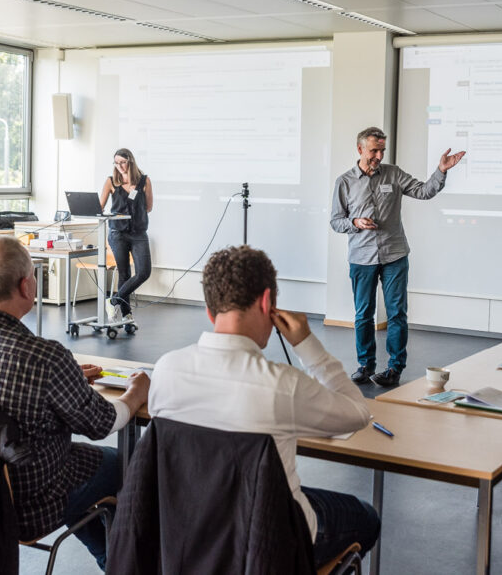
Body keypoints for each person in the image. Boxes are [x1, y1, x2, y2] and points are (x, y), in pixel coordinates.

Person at [0, 236, 150, 569]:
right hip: (27, 504)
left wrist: (66, 382)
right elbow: (102, 424)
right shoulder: (43, 358)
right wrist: (136, 393)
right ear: (27, 286)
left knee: (77, 469)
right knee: (121, 462)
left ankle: (111, 559)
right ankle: (124, 563)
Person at [149, 245, 379, 567]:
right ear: (268, 302)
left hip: (187, 535)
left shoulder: (165, 371)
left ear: (209, 310)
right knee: (366, 517)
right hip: (268, 541)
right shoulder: (281, 385)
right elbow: (358, 413)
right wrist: (307, 346)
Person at [330, 126, 465, 386]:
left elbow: (424, 191)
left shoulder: (393, 174)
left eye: (382, 150)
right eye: (373, 150)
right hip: (361, 257)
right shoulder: (344, 182)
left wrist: (442, 171)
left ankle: (394, 368)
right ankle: (366, 364)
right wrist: (355, 222)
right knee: (363, 314)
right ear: (360, 149)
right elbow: (336, 221)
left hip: (394, 255)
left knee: (396, 314)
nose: (379, 155)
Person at [99, 148, 153, 324]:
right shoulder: (111, 182)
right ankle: (127, 315)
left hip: (138, 233)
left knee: (144, 272)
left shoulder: (144, 181)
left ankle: (113, 300)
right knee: (124, 274)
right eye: (116, 162)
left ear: (130, 161)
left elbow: (149, 207)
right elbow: (100, 207)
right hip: (117, 234)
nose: (120, 166)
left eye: (122, 162)